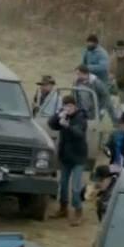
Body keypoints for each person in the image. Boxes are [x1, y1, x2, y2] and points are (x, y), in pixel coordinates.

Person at [48, 94, 88, 226]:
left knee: (75, 188)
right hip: (65, 156)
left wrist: (67, 126)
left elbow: (79, 133)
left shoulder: (80, 117)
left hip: (78, 157)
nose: (68, 109)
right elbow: (51, 124)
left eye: (70, 106)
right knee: (63, 185)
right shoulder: (64, 114)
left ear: (75, 106)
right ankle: (63, 208)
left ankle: (78, 211)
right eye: (65, 106)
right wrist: (58, 116)